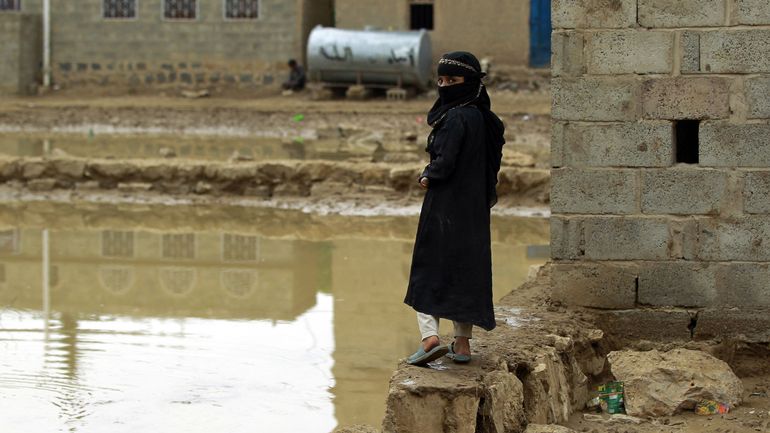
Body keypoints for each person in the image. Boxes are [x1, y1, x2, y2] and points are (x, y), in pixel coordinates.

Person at [404, 51, 505, 366]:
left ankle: (430, 338)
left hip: (444, 206)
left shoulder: (454, 118)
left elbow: (444, 163)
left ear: (470, 82)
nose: (445, 86)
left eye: (453, 80)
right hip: (474, 210)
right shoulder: (487, 121)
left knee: (427, 269)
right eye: (442, 79)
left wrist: (427, 174)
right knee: (466, 272)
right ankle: (462, 345)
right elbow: (492, 165)